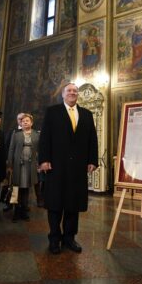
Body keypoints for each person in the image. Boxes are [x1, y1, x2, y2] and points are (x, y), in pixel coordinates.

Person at [39, 83, 98, 254]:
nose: (72, 93)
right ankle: (54, 239)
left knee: (73, 204)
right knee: (55, 203)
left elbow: (92, 139)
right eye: (69, 90)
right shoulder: (52, 112)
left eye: (75, 91)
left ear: (77, 95)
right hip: (56, 165)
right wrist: (44, 159)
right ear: (63, 94)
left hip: (78, 167)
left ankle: (69, 238)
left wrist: (92, 160)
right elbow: (45, 137)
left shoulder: (86, 114)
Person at [8, 113, 40, 221]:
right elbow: (11, 149)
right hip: (18, 165)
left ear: (31, 123)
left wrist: (39, 164)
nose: (25, 122)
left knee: (26, 188)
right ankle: (16, 212)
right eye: (23, 121)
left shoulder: (36, 134)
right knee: (16, 188)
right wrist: (10, 165)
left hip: (30, 166)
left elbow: (39, 150)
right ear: (20, 123)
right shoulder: (16, 134)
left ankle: (24, 211)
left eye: (27, 121)